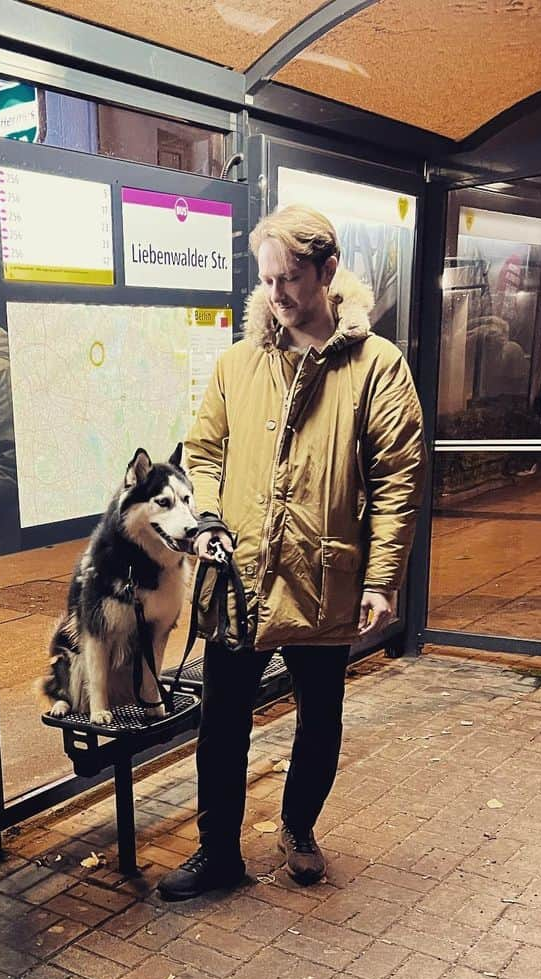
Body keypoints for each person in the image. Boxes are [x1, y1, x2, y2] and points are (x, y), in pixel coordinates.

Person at [158, 204, 426, 900]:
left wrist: (382, 579)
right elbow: (203, 449)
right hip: (240, 576)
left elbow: (399, 478)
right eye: (267, 279)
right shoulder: (239, 363)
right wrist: (206, 516)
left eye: (291, 278)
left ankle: (299, 830)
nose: (277, 294)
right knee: (221, 726)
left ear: (328, 270)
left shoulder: (377, 367)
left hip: (322, 578)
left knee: (320, 719)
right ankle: (218, 853)